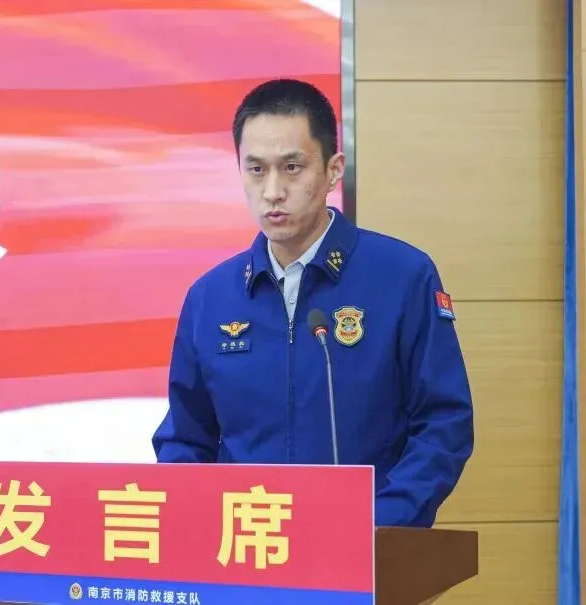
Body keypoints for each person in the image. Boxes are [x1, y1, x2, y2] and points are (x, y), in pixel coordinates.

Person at [151, 78, 473, 528]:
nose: (272, 191)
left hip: (370, 543)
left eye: (292, 167)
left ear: (333, 170)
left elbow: (443, 423)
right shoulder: (210, 298)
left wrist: (384, 523)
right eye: (256, 169)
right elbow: (185, 439)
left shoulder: (402, 276)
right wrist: (203, 521)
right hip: (248, 542)